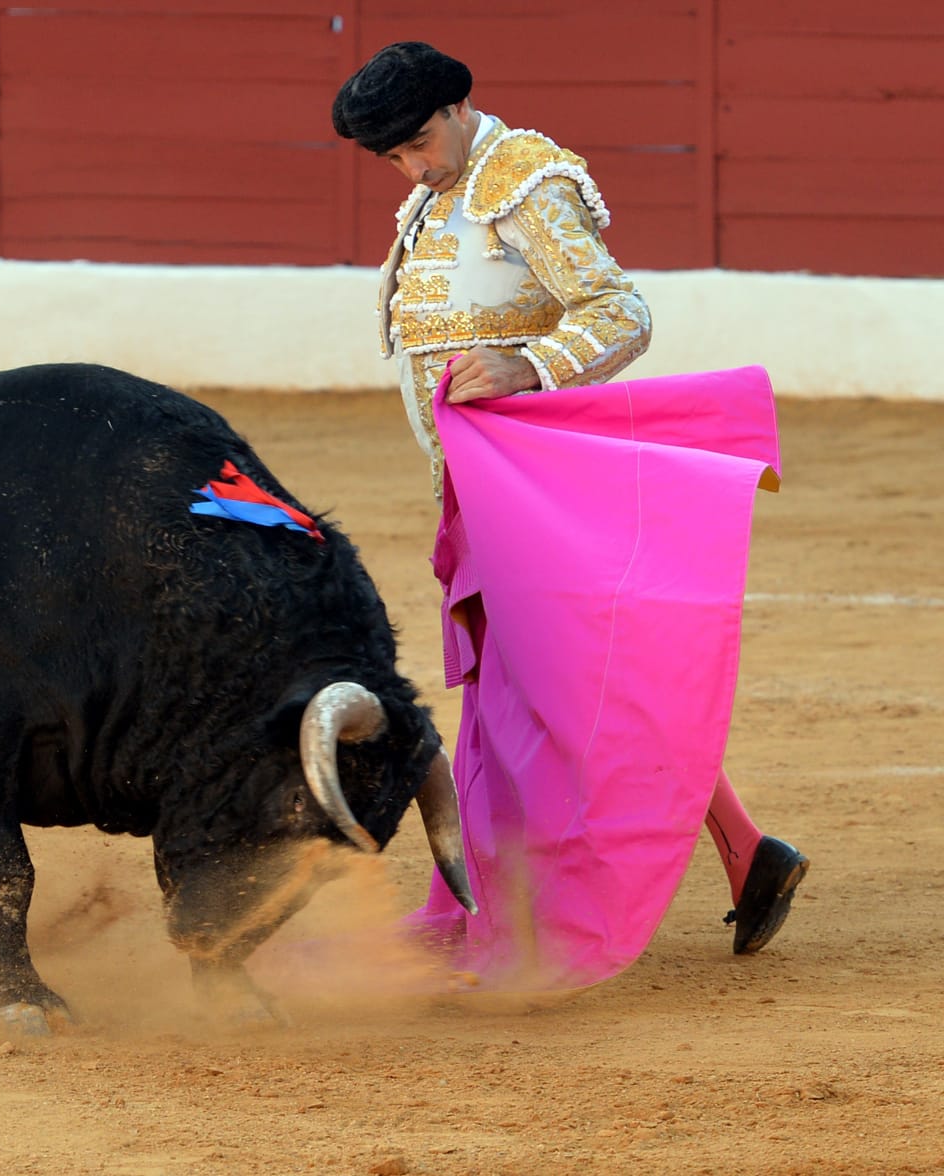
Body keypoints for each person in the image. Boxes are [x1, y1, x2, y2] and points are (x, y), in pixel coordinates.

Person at [330, 42, 808, 987]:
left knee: (547, 693)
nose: (413, 168)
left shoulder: (521, 182)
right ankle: (749, 853)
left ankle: (547, 907)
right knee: (570, 681)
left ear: (462, 107)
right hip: (480, 490)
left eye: (420, 144)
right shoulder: (438, 196)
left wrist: (527, 366)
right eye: (392, 159)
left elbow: (619, 311)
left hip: (539, 486)